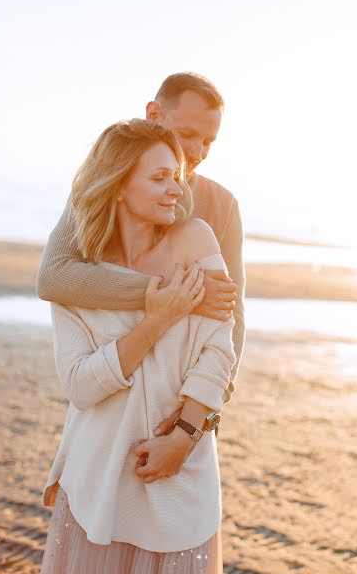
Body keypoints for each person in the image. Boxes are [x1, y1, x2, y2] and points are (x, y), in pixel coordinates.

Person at [41, 119, 236, 572]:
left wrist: (185, 438)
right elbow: (81, 387)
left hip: (177, 476)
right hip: (99, 478)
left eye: (176, 176)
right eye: (158, 177)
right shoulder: (78, 277)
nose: (176, 190)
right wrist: (159, 316)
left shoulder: (195, 239)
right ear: (119, 185)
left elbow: (218, 348)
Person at [37, 72, 245, 439]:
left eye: (208, 141)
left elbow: (231, 319)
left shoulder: (221, 205)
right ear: (154, 114)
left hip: (184, 409)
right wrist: (175, 295)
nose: (196, 152)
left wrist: (200, 420)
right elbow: (54, 276)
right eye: (187, 135)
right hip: (110, 405)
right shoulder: (103, 187)